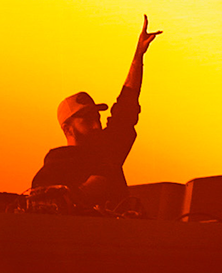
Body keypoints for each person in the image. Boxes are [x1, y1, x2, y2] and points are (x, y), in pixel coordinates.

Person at [29, 17, 162, 210]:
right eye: (87, 119)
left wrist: (138, 55)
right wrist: (79, 194)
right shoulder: (52, 170)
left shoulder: (107, 150)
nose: (96, 124)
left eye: (97, 117)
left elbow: (126, 109)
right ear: (67, 128)